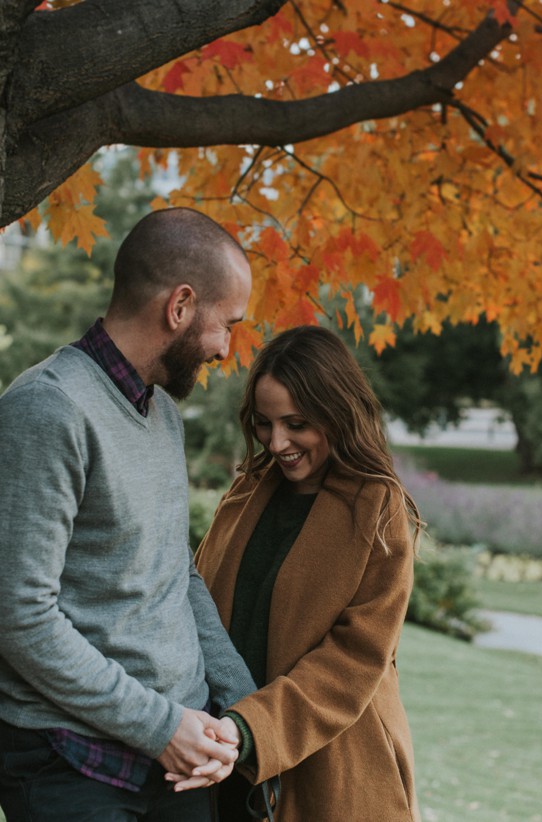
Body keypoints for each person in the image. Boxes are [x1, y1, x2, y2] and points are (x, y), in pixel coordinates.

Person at [0, 207, 257, 821]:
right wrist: (162, 726)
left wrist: (245, 710)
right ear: (180, 306)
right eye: (227, 324)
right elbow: (20, 616)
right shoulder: (48, 410)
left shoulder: (162, 412)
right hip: (72, 763)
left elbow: (177, 575)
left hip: (179, 757)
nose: (226, 347)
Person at [191, 325, 421, 821]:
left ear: (336, 413)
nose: (276, 442)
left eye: (296, 423)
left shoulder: (378, 511)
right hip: (226, 758)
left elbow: (352, 661)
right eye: (263, 423)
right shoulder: (246, 494)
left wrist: (249, 728)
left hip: (332, 768)